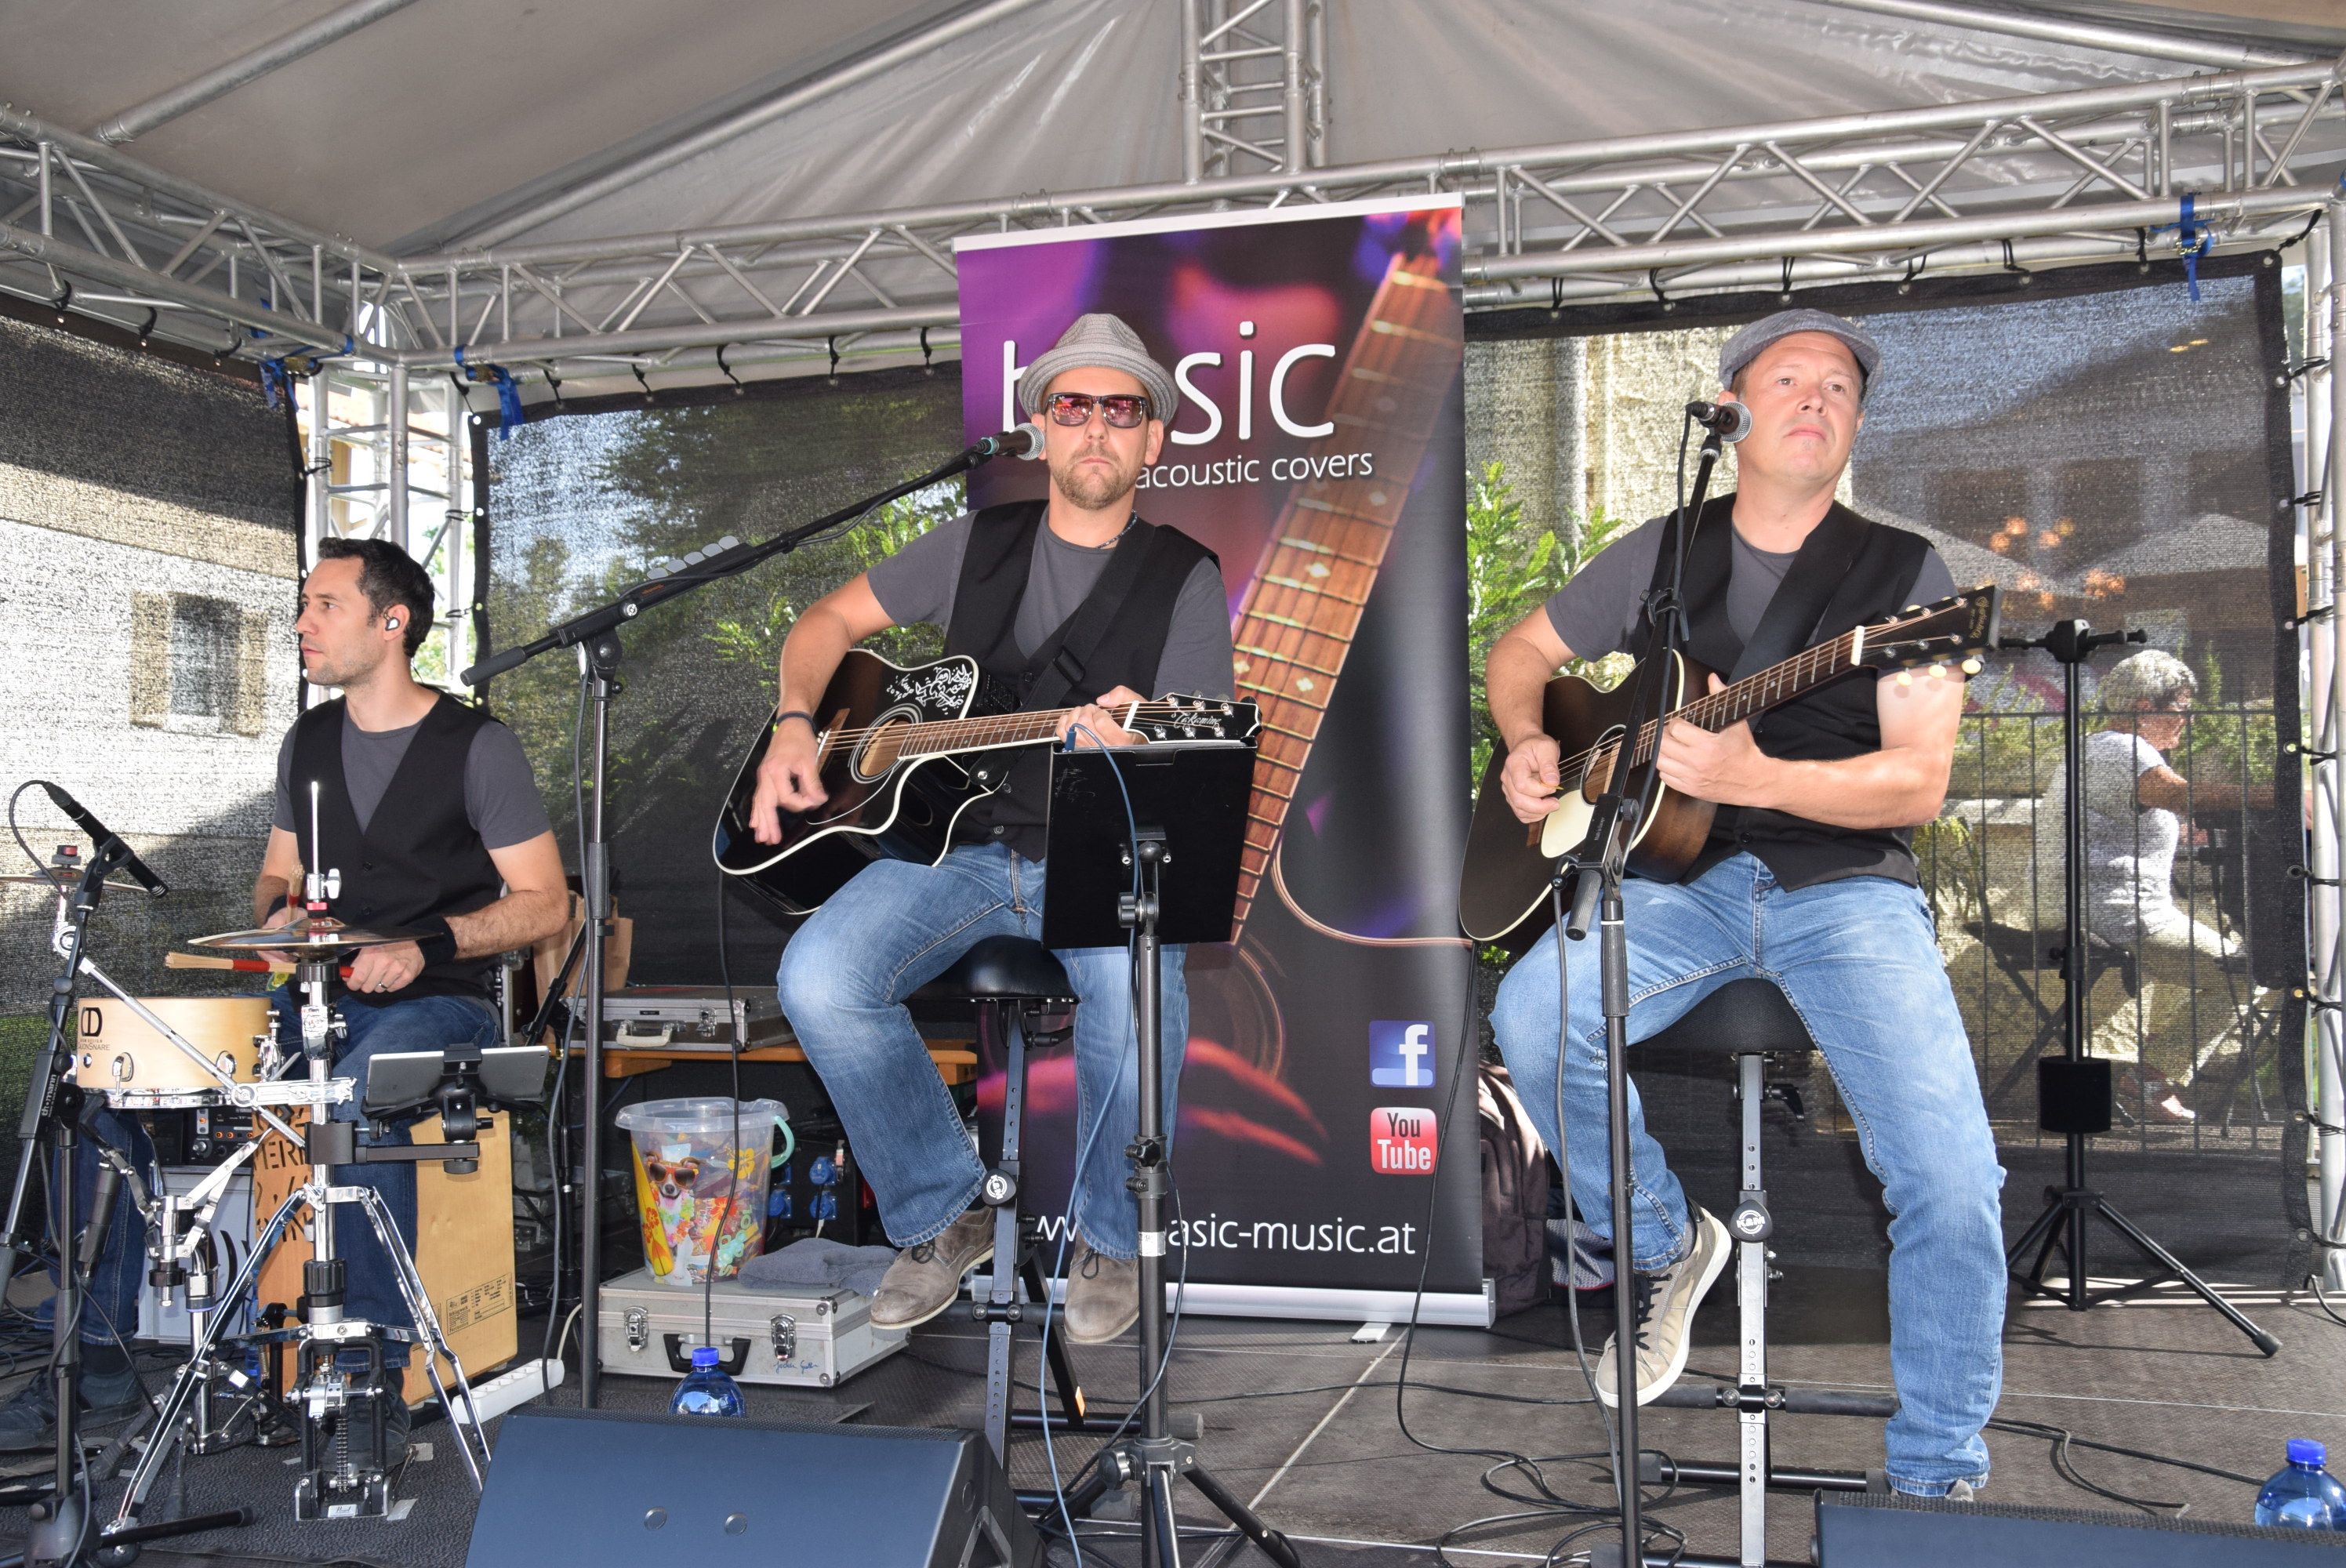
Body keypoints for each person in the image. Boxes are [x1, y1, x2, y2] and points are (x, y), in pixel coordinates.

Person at [1484, 308, 2005, 1499]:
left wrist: (1755, 777)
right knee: (1533, 1014)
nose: (1818, 397)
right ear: (1731, 409)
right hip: (1678, 881)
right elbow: (1520, 655)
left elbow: (1917, 783)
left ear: (1855, 425)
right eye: (1789, 378)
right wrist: (1525, 739)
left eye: (1841, 387)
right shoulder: (1663, 552)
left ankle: (1936, 1481)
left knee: (1949, 1179)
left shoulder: (1905, 579)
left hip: (1844, 888)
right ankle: (1665, 1240)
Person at [0, 538, 567, 1454]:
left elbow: (546, 903)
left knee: (357, 1087)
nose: (301, 622)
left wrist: (423, 945)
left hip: (441, 1004)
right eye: (304, 604)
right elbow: (276, 876)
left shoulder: (477, 746)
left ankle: (369, 1373)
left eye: (324, 605)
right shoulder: (308, 740)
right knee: (102, 1084)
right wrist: (279, 917)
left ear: (393, 622)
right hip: (311, 1000)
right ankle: (98, 1355)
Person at [760, 313, 1233, 1345]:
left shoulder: (1183, 575)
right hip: (956, 851)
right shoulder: (975, 543)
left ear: (1154, 440)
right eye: (1074, 405)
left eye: (1123, 409)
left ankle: (1110, 1236)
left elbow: (1199, 748)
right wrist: (797, 722)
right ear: (1041, 426)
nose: (1096, 427)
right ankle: (944, 1208)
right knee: (818, 978)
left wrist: (1135, 743)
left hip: (1096, 855)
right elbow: (825, 624)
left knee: (1134, 992)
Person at [2071, 648, 2267, 1123]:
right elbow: (2181, 794)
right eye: (2181, 708)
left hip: (2104, 909)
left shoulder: (2097, 749)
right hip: (2120, 915)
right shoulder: (2122, 748)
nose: (2187, 720)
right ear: (2144, 707)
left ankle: (2152, 1068)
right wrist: (2283, 795)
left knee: (2237, 968)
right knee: (2255, 972)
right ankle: (2151, 1078)